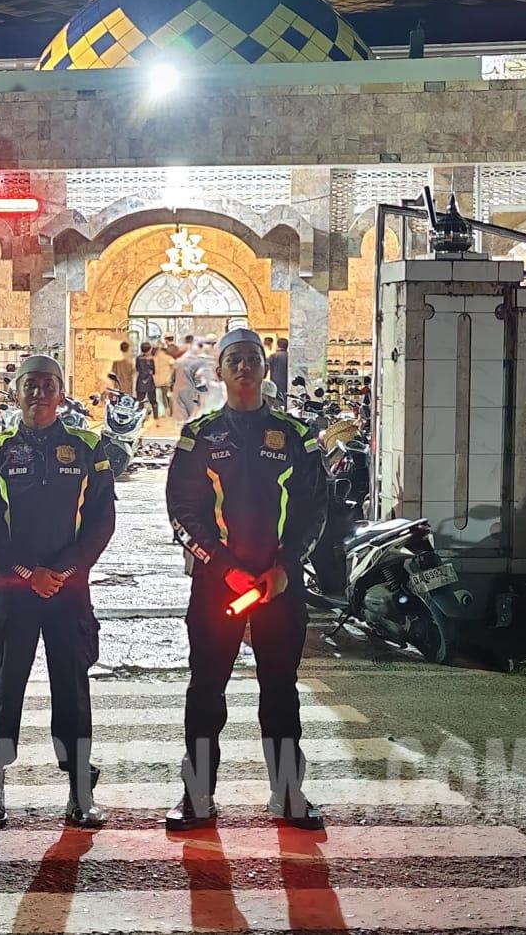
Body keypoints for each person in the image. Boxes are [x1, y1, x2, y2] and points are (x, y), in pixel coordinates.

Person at [165, 328, 329, 832]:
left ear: (264, 368)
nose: (243, 368)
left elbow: (313, 508)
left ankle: (288, 792)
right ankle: (197, 796)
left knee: (280, 690)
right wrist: (223, 567)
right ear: (219, 370)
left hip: (279, 586)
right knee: (206, 691)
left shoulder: (295, 436)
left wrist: (286, 565)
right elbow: (182, 512)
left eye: (251, 359)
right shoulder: (199, 437)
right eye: (233, 360)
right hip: (218, 587)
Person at [0, 354, 116, 829]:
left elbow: (101, 523)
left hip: (69, 593)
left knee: (72, 692)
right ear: (16, 392)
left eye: (47, 385)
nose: (38, 393)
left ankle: (80, 790)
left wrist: (64, 570)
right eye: (29, 385)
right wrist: (28, 571)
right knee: (3, 693)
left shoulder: (91, 446)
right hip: (13, 592)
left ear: (61, 391)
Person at [153, 341, 177, 419]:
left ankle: (161, 413)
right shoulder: (168, 358)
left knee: (159, 398)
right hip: (166, 381)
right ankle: (170, 412)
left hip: (156, 381)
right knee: (167, 396)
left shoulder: (154, 358)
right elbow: (175, 365)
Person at [134, 342, 157, 417]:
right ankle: (156, 417)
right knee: (153, 401)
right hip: (150, 381)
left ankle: (138, 416)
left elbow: (137, 368)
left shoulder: (138, 358)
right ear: (149, 349)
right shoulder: (152, 359)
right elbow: (154, 371)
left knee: (139, 400)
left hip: (140, 381)